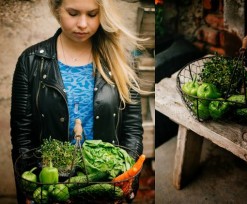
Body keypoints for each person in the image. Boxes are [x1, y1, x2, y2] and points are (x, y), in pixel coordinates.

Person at [10, 0, 146, 203]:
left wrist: (125, 180)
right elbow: (22, 132)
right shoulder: (30, 61)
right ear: (56, 9)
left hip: (106, 185)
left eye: (92, 14)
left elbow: (132, 128)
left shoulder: (121, 59)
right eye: (73, 13)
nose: (83, 24)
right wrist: (33, 188)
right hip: (51, 186)